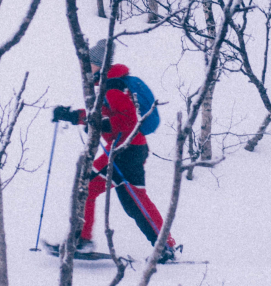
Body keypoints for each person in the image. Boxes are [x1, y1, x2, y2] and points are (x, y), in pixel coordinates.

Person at [50, 57, 181, 263]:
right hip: (128, 149)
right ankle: (166, 246)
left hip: (125, 150)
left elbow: (129, 121)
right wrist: (73, 116)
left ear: (100, 65)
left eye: (91, 64)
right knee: (134, 201)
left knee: (89, 187)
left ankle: (82, 240)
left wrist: (102, 124)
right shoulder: (111, 85)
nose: (87, 68)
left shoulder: (112, 88)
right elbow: (101, 114)